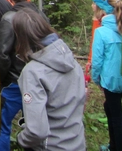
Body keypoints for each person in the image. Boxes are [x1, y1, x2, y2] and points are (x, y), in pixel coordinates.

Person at [13, 8, 86, 150]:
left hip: (51, 146)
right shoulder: (71, 60)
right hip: (77, 144)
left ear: (20, 37)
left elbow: (37, 131)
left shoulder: (32, 72)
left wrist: (21, 139)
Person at [0, 0, 49, 151]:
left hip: (15, 81)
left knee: (1, 124)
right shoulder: (41, 16)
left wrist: (0, 79)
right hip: (40, 79)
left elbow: (2, 54)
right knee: (34, 123)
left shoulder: (9, 18)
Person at [91, 0, 122, 151]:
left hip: (110, 80)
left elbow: (97, 61)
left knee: (116, 116)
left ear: (102, 12)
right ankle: (114, 145)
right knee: (111, 108)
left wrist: (96, 79)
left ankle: (118, 147)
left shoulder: (101, 32)